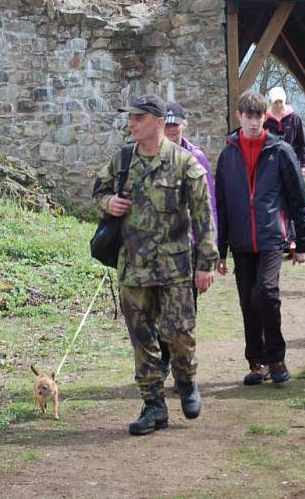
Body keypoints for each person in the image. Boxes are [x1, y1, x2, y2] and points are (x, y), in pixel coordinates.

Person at [94, 94, 218, 435]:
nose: (131, 123)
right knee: (142, 338)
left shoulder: (184, 164)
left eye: (138, 118)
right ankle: (153, 405)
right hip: (133, 267)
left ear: (159, 122)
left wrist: (206, 263)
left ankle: (187, 380)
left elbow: (204, 218)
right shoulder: (121, 161)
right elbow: (97, 194)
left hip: (175, 268)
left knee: (179, 333)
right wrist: (109, 203)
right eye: (130, 117)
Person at [216, 91, 305, 385]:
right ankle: (256, 361)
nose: (254, 122)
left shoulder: (280, 151)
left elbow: (296, 197)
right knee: (248, 301)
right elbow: (222, 205)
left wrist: (302, 242)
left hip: (272, 236)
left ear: (265, 117)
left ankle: (276, 358)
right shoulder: (228, 154)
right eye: (249, 115)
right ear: (239, 116)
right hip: (241, 241)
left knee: (266, 293)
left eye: (259, 116)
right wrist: (220, 251)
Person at [159, 100, 216, 372]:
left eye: (175, 124)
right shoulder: (148, 157)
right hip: (157, 247)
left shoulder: (197, 157)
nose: (171, 129)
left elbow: (209, 206)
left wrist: (210, 254)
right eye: (166, 124)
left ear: (184, 125)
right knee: (158, 309)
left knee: (186, 309)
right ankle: (165, 359)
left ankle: (182, 364)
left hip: (189, 246)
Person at [264, 86, 305, 256]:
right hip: (271, 167)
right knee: (276, 202)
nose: (279, 105)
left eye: (281, 101)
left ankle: (292, 238)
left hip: (291, 165)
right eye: (275, 102)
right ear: (271, 102)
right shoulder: (265, 120)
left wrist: (304, 165)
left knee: (294, 201)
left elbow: (302, 144)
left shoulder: (294, 118)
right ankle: (279, 236)